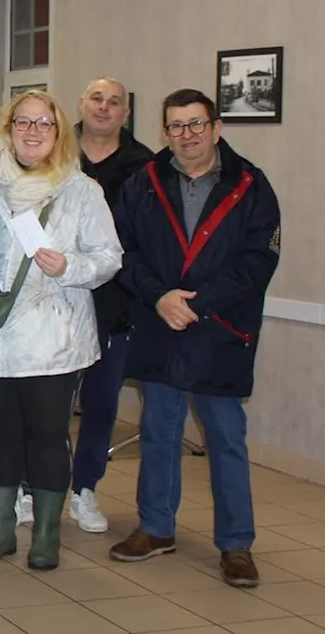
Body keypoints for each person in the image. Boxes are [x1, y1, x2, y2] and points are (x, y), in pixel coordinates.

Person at [109, 89, 280, 589]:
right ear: (165, 133)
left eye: (196, 125)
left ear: (217, 127)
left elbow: (258, 261)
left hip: (220, 330)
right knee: (160, 430)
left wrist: (196, 303)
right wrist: (162, 297)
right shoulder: (142, 183)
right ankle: (156, 528)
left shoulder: (251, 185)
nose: (187, 135)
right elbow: (121, 249)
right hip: (161, 325)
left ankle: (236, 544)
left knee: (226, 439)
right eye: (176, 126)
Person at [0, 90, 122, 572]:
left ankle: (48, 535)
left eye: (44, 124)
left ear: (59, 133)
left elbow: (110, 257)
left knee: (48, 436)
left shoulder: (81, 190)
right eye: (23, 122)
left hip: (56, 337)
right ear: (7, 127)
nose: (33, 132)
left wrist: (70, 265)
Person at [64, 78, 153, 532]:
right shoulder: (54, 151)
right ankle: (33, 485)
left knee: (100, 403)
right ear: (81, 104)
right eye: (96, 98)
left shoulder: (146, 167)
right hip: (54, 299)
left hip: (114, 304)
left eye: (114, 101)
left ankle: (85, 489)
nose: (104, 107)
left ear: (126, 113)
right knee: (49, 403)